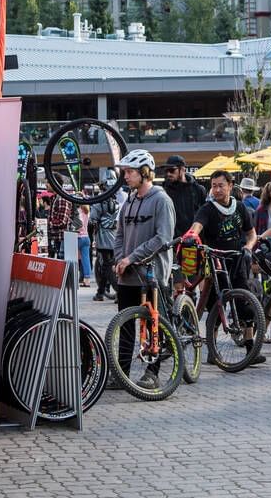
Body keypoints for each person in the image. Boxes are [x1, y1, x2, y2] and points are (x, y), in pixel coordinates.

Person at [112, 149, 176, 389]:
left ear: (144, 173)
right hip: (127, 274)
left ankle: (153, 372)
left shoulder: (161, 200)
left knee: (154, 325)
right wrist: (120, 259)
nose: (125, 176)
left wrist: (132, 258)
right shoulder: (129, 200)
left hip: (152, 274)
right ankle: (122, 373)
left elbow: (162, 238)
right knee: (125, 324)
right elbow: (119, 234)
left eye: (129, 172)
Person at [186, 170, 264, 365]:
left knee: (244, 305)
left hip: (238, 261)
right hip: (214, 263)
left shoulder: (240, 208)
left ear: (230, 186)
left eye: (221, 185)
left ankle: (250, 348)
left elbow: (251, 234)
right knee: (215, 305)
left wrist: (248, 247)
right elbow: (197, 226)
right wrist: (191, 236)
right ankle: (212, 350)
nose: (217, 190)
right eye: (214, 186)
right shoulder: (207, 208)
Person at [162, 155, 207, 237]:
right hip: (173, 241)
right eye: (166, 170)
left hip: (195, 239)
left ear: (182, 169)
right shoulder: (164, 191)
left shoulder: (198, 189)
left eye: (172, 170)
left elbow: (205, 215)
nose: (168, 174)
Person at [89, 189, 119, 301]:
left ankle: (118, 291)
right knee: (110, 266)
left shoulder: (99, 203)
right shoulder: (117, 203)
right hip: (115, 238)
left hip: (103, 239)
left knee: (107, 267)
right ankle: (100, 292)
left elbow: (92, 220)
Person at [47, 186, 79, 260]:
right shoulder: (55, 197)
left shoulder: (61, 198)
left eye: (48, 182)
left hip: (62, 237)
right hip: (59, 237)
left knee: (62, 261)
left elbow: (62, 221)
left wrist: (50, 224)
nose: (46, 185)